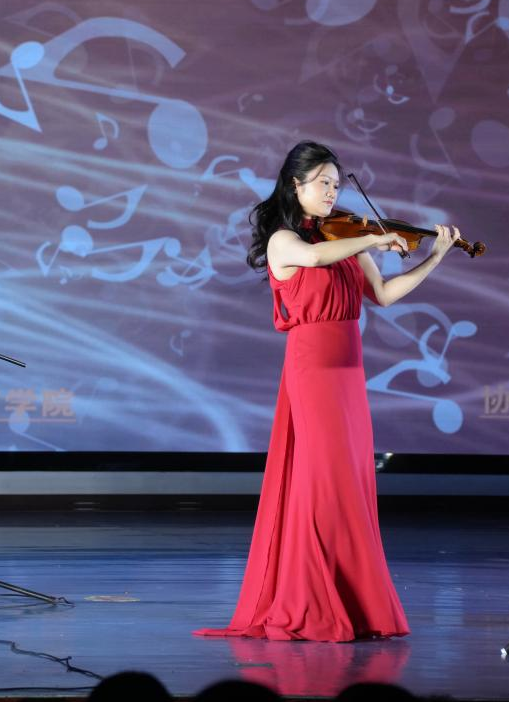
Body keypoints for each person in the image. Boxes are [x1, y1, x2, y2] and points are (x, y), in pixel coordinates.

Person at [196, 141, 459, 642]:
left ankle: (355, 603)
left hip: (348, 376)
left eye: (336, 184)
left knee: (351, 485)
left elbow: (384, 295)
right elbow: (315, 257)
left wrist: (435, 257)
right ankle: (313, 599)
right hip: (313, 374)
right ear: (295, 185)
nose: (333, 193)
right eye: (323, 183)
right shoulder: (284, 241)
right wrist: (372, 239)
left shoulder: (347, 237)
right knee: (322, 484)